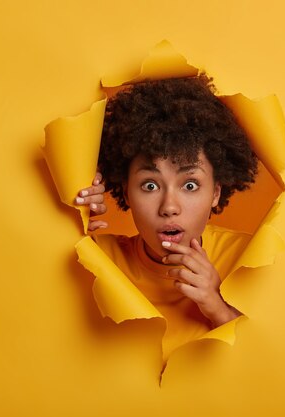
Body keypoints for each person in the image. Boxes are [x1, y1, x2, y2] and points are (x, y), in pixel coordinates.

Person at [75, 75, 259, 357]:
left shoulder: (249, 259)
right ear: (126, 193)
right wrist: (72, 226)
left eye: (189, 185)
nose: (169, 207)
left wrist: (218, 307)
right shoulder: (98, 257)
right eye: (150, 185)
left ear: (215, 193)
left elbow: (276, 368)